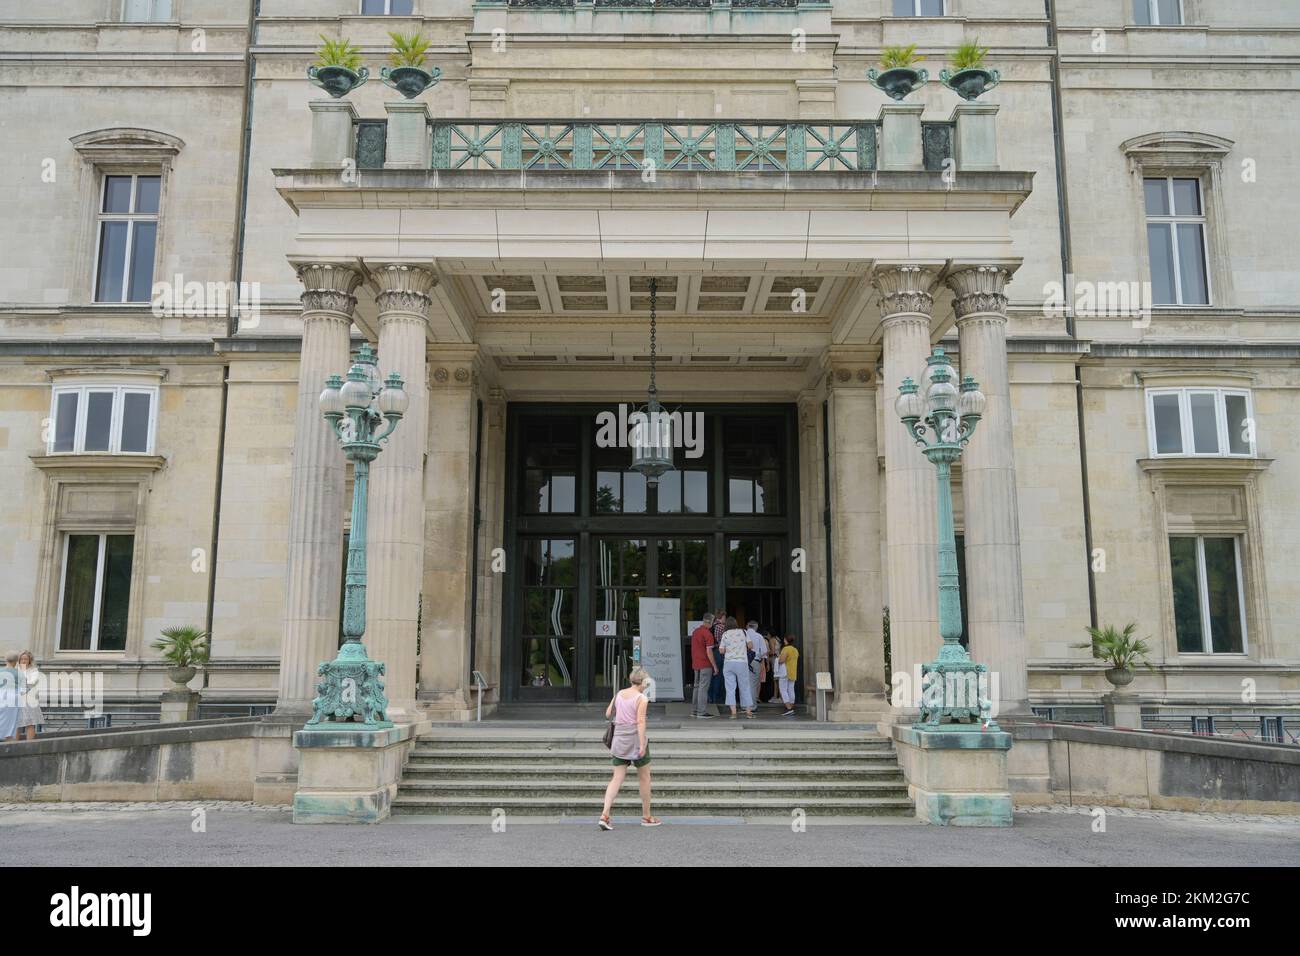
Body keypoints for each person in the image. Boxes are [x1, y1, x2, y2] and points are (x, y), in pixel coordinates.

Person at [599, 668, 660, 829]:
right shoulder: (641, 698)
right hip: (634, 738)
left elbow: (607, 714)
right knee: (644, 778)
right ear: (644, 682)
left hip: (619, 739)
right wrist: (641, 744)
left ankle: (605, 814)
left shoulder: (619, 694)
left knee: (616, 778)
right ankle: (646, 817)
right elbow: (640, 722)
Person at [718, 617, 755, 719]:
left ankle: (733, 713)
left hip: (729, 663)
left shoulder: (725, 634)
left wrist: (729, 650)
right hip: (741, 662)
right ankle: (748, 712)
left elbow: (721, 650)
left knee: (730, 688)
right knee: (745, 687)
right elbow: (751, 646)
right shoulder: (743, 632)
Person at [689, 614, 718, 719]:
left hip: (696, 663)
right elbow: (709, 652)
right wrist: (715, 666)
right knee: (703, 688)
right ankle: (701, 712)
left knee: (696, 687)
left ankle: (694, 710)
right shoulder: (708, 634)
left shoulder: (695, 632)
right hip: (705, 664)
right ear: (710, 622)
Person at [16, 650, 42, 740]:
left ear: (29, 660)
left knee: (29, 724)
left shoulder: (34, 671)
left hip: (29, 700)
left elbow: (32, 682)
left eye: (26, 659)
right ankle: (13, 745)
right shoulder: (16, 670)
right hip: (17, 700)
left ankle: (29, 746)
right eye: (21, 659)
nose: (23, 661)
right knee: (16, 724)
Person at [708, 607, 728, 707]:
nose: (725, 619)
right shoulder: (721, 627)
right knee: (719, 675)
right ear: (722, 616)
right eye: (725, 616)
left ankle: (711, 696)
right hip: (719, 652)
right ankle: (717, 697)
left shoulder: (713, 625)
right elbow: (723, 641)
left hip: (713, 651)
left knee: (714, 674)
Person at [745, 620, 765, 712]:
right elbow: (764, 651)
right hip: (755, 661)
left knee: (744, 684)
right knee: (753, 685)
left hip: (743, 662)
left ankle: (744, 705)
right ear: (756, 627)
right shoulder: (759, 636)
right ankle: (752, 706)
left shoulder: (743, 634)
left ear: (747, 626)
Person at [0, 653, 21, 743]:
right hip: (13, 696)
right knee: (11, 719)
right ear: (16, 661)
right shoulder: (19, 673)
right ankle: (7, 737)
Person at [778, 635, 800, 717]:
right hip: (793, 671)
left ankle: (789, 708)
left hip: (785, 672)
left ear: (785, 640)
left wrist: (778, 659)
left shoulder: (785, 649)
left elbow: (782, 660)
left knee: (783, 689)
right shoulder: (795, 650)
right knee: (791, 689)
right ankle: (791, 706)